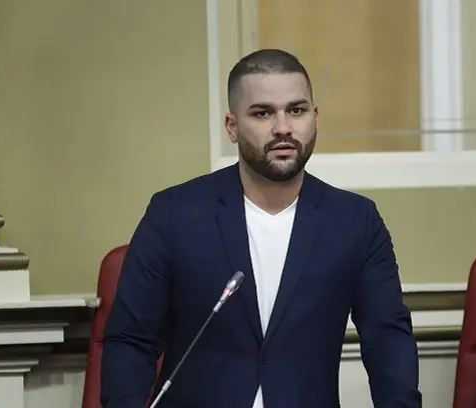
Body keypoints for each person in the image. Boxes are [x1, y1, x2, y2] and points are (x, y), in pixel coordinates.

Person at [100, 48, 421, 408]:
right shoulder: (175, 214)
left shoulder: (355, 221)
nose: (283, 127)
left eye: (296, 111)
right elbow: (131, 340)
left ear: (314, 118)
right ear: (232, 126)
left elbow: (388, 340)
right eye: (263, 112)